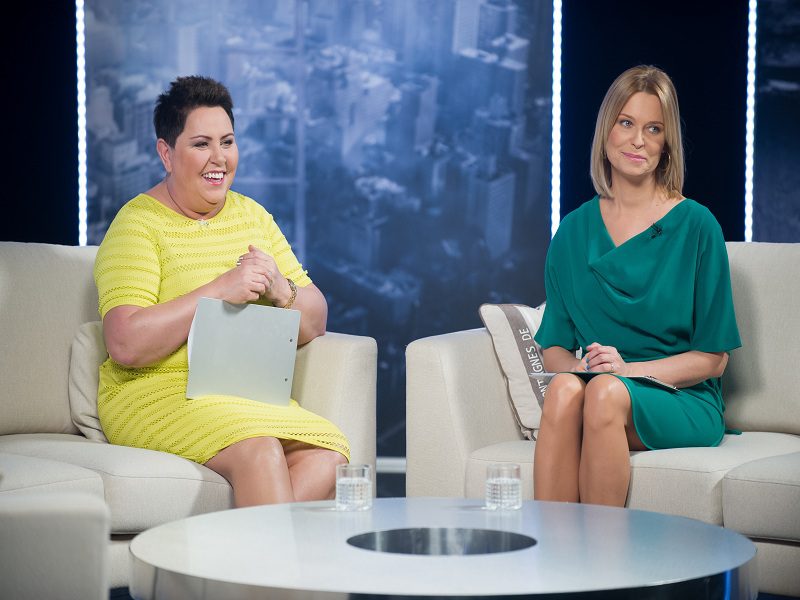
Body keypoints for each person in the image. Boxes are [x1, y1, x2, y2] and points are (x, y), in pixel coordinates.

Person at [94, 75, 349, 507]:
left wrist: (279, 287)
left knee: (330, 457)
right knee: (260, 449)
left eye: (227, 142)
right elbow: (124, 343)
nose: (219, 158)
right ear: (166, 153)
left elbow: (316, 320)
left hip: (243, 391)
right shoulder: (137, 225)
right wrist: (219, 290)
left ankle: (234, 545)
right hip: (156, 392)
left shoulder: (253, 217)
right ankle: (261, 550)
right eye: (201, 144)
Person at [532, 65, 741, 507]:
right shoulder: (572, 232)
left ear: (666, 144)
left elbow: (714, 359)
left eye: (653, 129)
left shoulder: (698, 226)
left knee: (604, 394)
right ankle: (551, 545)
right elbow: (554, 351)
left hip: (680, 397)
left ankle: (604, 550)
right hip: (600, 386)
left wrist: (624, 372)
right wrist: (587, 368)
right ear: (606, 131)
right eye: (626, 123)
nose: (638, 140)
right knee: (565, 389)